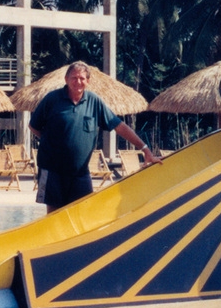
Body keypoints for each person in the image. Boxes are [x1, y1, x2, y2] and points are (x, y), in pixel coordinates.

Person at [29, 61, 161, 211]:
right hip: (52, 170)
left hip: (80, 173)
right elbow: (34, 126)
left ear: (88, 81)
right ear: (66, 79)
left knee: (84, 213)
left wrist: (145, 149)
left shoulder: (94, 101)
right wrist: (52, 143)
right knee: (53, 217)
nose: (78, 81)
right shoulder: (52, 99)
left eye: (82, 78)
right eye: (74, 78)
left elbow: (119, 126)